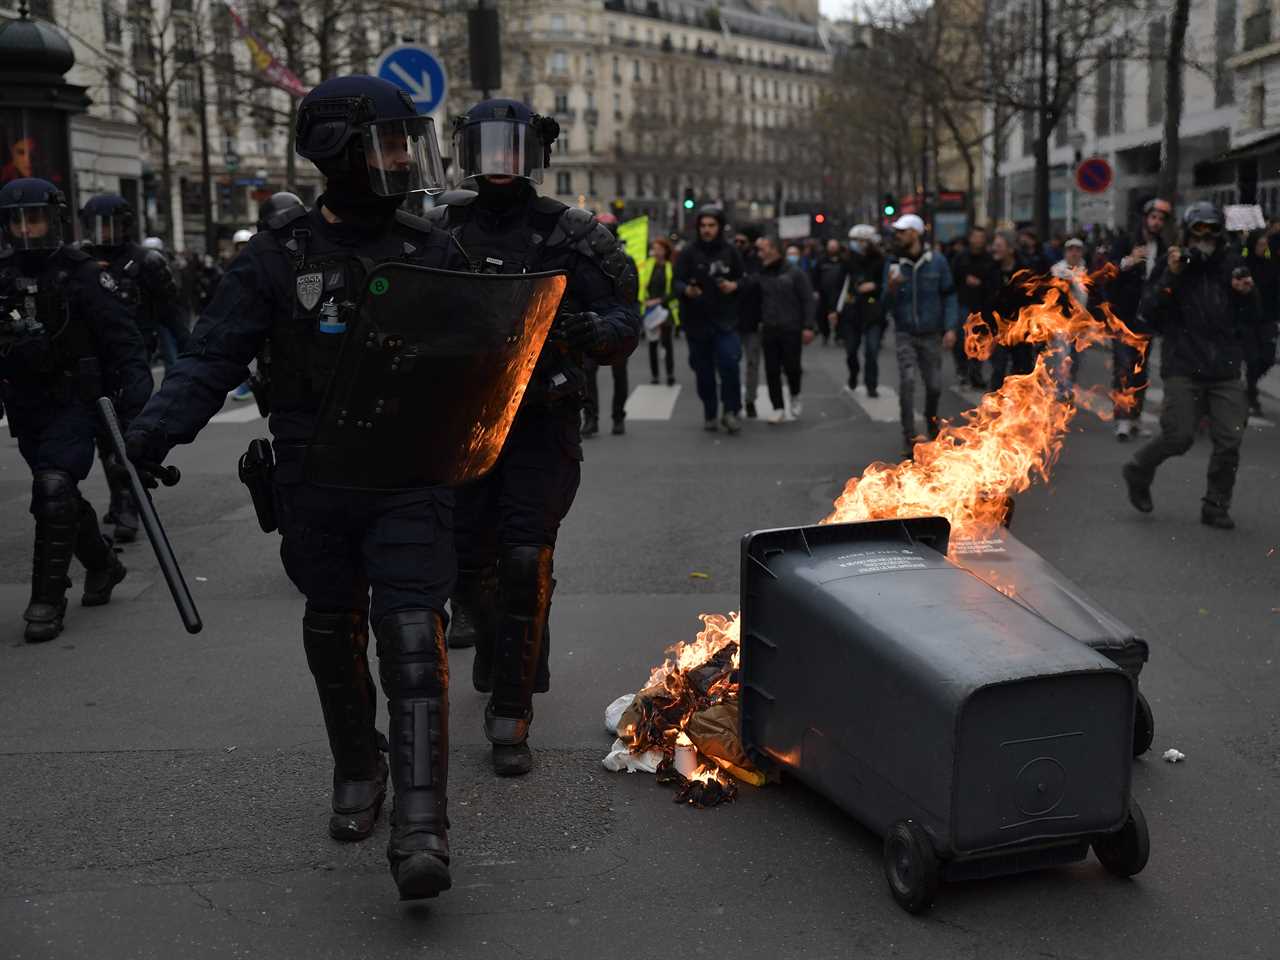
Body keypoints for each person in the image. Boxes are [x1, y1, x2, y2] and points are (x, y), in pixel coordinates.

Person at [124, 76, 471, 901]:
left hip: (410, 471)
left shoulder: (432, 247)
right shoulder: (277, 258)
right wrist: (151, 431)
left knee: (416, 637)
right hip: (316, 475)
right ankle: (359, 767)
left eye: (402, 142)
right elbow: (211, 356)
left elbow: (485, 358)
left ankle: (423, 823)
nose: (399, 158)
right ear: (338, 153)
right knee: (332, 625)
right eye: (385, 143)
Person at [427, 98, 639, 777]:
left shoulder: (573, 233)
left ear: (535, 155)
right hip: (458, 424)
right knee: (469, 563)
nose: (498, 165)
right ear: (466, 153)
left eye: (511, 149)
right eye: (486, 149)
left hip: (541, 422)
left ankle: (511, 710)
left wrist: (594, 332)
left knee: (525, 557)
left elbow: (623, 315)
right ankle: (499, 654)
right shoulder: (435, 230)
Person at [0, 178, 151, 642]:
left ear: (55, 220)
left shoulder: (82, 272)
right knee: (61, 496)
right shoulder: (2, 275)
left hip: (74, 401)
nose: (28, 229)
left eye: (36, 218)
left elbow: (123, 338)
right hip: (26, 405)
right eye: (18, 220)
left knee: (52, 487)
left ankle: (46, 599)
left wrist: (137, 395)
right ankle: (103, 565)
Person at [1121, 201, 1262, 530]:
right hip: (1184, 366)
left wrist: (1247, 293)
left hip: (1225, 368)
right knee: (1179, 436)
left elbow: (1254, 316)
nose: (1205, 237)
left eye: (1212, 229)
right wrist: (1171, 274)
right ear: (1187, 231)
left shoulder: (1231, 264)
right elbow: (1149, 311)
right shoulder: (1174, 264)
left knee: (1230, 440)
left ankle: (1215, 505)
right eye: (1198, 229)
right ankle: (1139, 469)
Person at [78, 193, 184, 541]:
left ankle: (129, 504)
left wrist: (190, 356)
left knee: (129, 434)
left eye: (110, 225)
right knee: (105, 438)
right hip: (94, 363)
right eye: (97, 226)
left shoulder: (146, 262)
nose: (104, 233)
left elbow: (171, 313)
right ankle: (120, 496)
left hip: (135, 359)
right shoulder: (81, 261)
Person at [882, 214, 959, 458]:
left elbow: (949, 295)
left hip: (931, 334)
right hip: (905, 332)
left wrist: (950, 327)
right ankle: (909, 436)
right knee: (907, 383)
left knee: (934, 385)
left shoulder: (936, 261)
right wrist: (891, 289)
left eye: (902, 232)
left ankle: (932, 422)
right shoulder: (894, 263)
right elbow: (884, 303)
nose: (898, 236)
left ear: (915, 233)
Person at [674, 206, 745, 432]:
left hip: (726, 321)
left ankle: (731, 411)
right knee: (703, 372)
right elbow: (676, 282)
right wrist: (687, 290)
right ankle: (710, 412)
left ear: (720, 227)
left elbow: (745, 279)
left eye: (711, 226)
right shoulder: (688, 252)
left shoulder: (731, 251)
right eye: (703, 226)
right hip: (697, 322)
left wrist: (734, 285)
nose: (707, 230)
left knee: (730, 364)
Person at [1108, 198, 1171, 440]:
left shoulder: (1163, 247)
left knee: (1140, 372)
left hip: (1147, 319)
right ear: (1145, 218)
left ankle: (1135, 417)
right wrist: (1129, 261)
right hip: (1123, 316)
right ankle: (1122, 419)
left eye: (1161, 220)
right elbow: (1110, 270)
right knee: (1123, 369)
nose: (1156, 223)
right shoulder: (1125, 241)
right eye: (1153, 217)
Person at [739, 235, 817, 423]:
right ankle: (778, 407)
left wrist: (808, 326)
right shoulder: (761, 273)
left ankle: (795, 394)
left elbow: (807, 299)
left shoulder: (794, 272)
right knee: (772, 369)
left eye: (762, 249)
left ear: (773, 249)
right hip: (769, 327)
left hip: (791, 327)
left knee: (792, 367)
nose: (759, 253)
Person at [580, 211, 635, 436]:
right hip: (591, 323)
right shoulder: (584, 261)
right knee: (587, 374)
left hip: (618, 322)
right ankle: (591, 418)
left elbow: (632, 296)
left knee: (619, 373)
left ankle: (618, 416)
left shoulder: (627, 261)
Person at [948, 225, 998, 390]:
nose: (978, 240)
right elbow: (951, 280)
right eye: (975, 237)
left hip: (983, 306)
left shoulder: (989, 259)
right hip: (963, 303)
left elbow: (993, 282)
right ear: (970, 239)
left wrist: (982, 284)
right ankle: (962, 371)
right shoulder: (961, 258)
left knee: (980, 342)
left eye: (981, 237)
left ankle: (975, 373)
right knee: (962, 341)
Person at [987, 229, 1037, 392]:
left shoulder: (1024, 271)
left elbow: (1033, 300)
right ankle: (996, 410)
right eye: (994, 245)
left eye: (999, 246)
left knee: (1022, 371)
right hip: (998, 330)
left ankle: (1021, 408)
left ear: (1010, 249)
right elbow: (985, 302)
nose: (995, 249)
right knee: (998, 370)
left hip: (1021, 329)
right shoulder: (991, 271)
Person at [839, 224, 886, 398]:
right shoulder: (847, 260)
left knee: (872, 351)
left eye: (862, 241)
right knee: (851, 350)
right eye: (856, 240)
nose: (858, 244)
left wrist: (875, 286)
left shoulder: (880, 261)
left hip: (872, 311)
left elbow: (887, 285)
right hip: (852, 311)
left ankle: (871, 384)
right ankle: (853, 373)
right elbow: (838, 284)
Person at [1242, 230, 1279, 418]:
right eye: (1260, 245)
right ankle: (1250, 393)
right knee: (1252, 358)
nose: (1263, 249)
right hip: (1248, 320)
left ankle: (1250, 385)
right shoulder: (1244, 266)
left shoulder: (1272, 265)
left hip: (1267, 318)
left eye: (1265, 246)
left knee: (1268, 357)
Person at [640, 236, 679, 386]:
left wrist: (660, 300)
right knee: (652, 343)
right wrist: (645, 301)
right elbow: (643, 285)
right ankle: (655, 375)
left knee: (667, 343)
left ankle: (670, 374)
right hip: (650, 309)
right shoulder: (649, 265)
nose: (655, 252)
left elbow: (674, 290)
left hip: (665, 309)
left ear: (665, 251)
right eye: (654, 249)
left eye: (658, 249)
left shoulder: (670, 267)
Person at [735, 223, 764, 418]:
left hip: (753, 320)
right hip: (731, 320)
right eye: (735, 241)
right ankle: (733, 400)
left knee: (752, 363)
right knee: (730, 363)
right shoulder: (728, 258)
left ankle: (750, 399)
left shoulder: (757, 262)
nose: (737, 244)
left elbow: (758, 283)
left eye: (741, 241)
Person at [812, 238, 846, 347]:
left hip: (840, 292)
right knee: (822, 315)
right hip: (824, 293)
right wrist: (815, 290)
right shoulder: (821, 261)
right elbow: (815, 276)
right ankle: (825, 334)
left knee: (840, 314)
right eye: (830, 246)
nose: (832, 248)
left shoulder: (843, 261)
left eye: (834, 246)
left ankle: (839, 335)